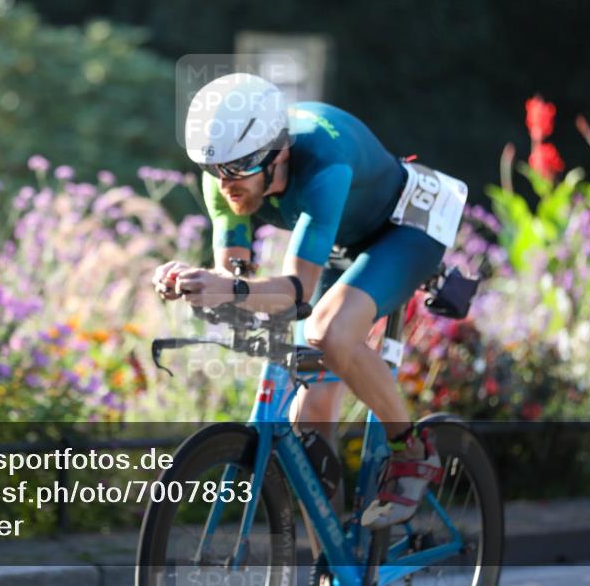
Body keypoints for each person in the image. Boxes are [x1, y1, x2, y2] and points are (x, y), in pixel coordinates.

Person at [153, 73, 468, 531]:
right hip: (340, 239)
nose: (224, 184)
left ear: (277, 154)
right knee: (310, 412)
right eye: (213, 168)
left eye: (238, 168)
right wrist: (194, 282)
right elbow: (238, 281)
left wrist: (236, 291)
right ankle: (331, 570)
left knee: (329, 331)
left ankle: (413, 451)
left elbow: (297, 291)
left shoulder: (323, 162)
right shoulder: (225, 177)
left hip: (406, 226)